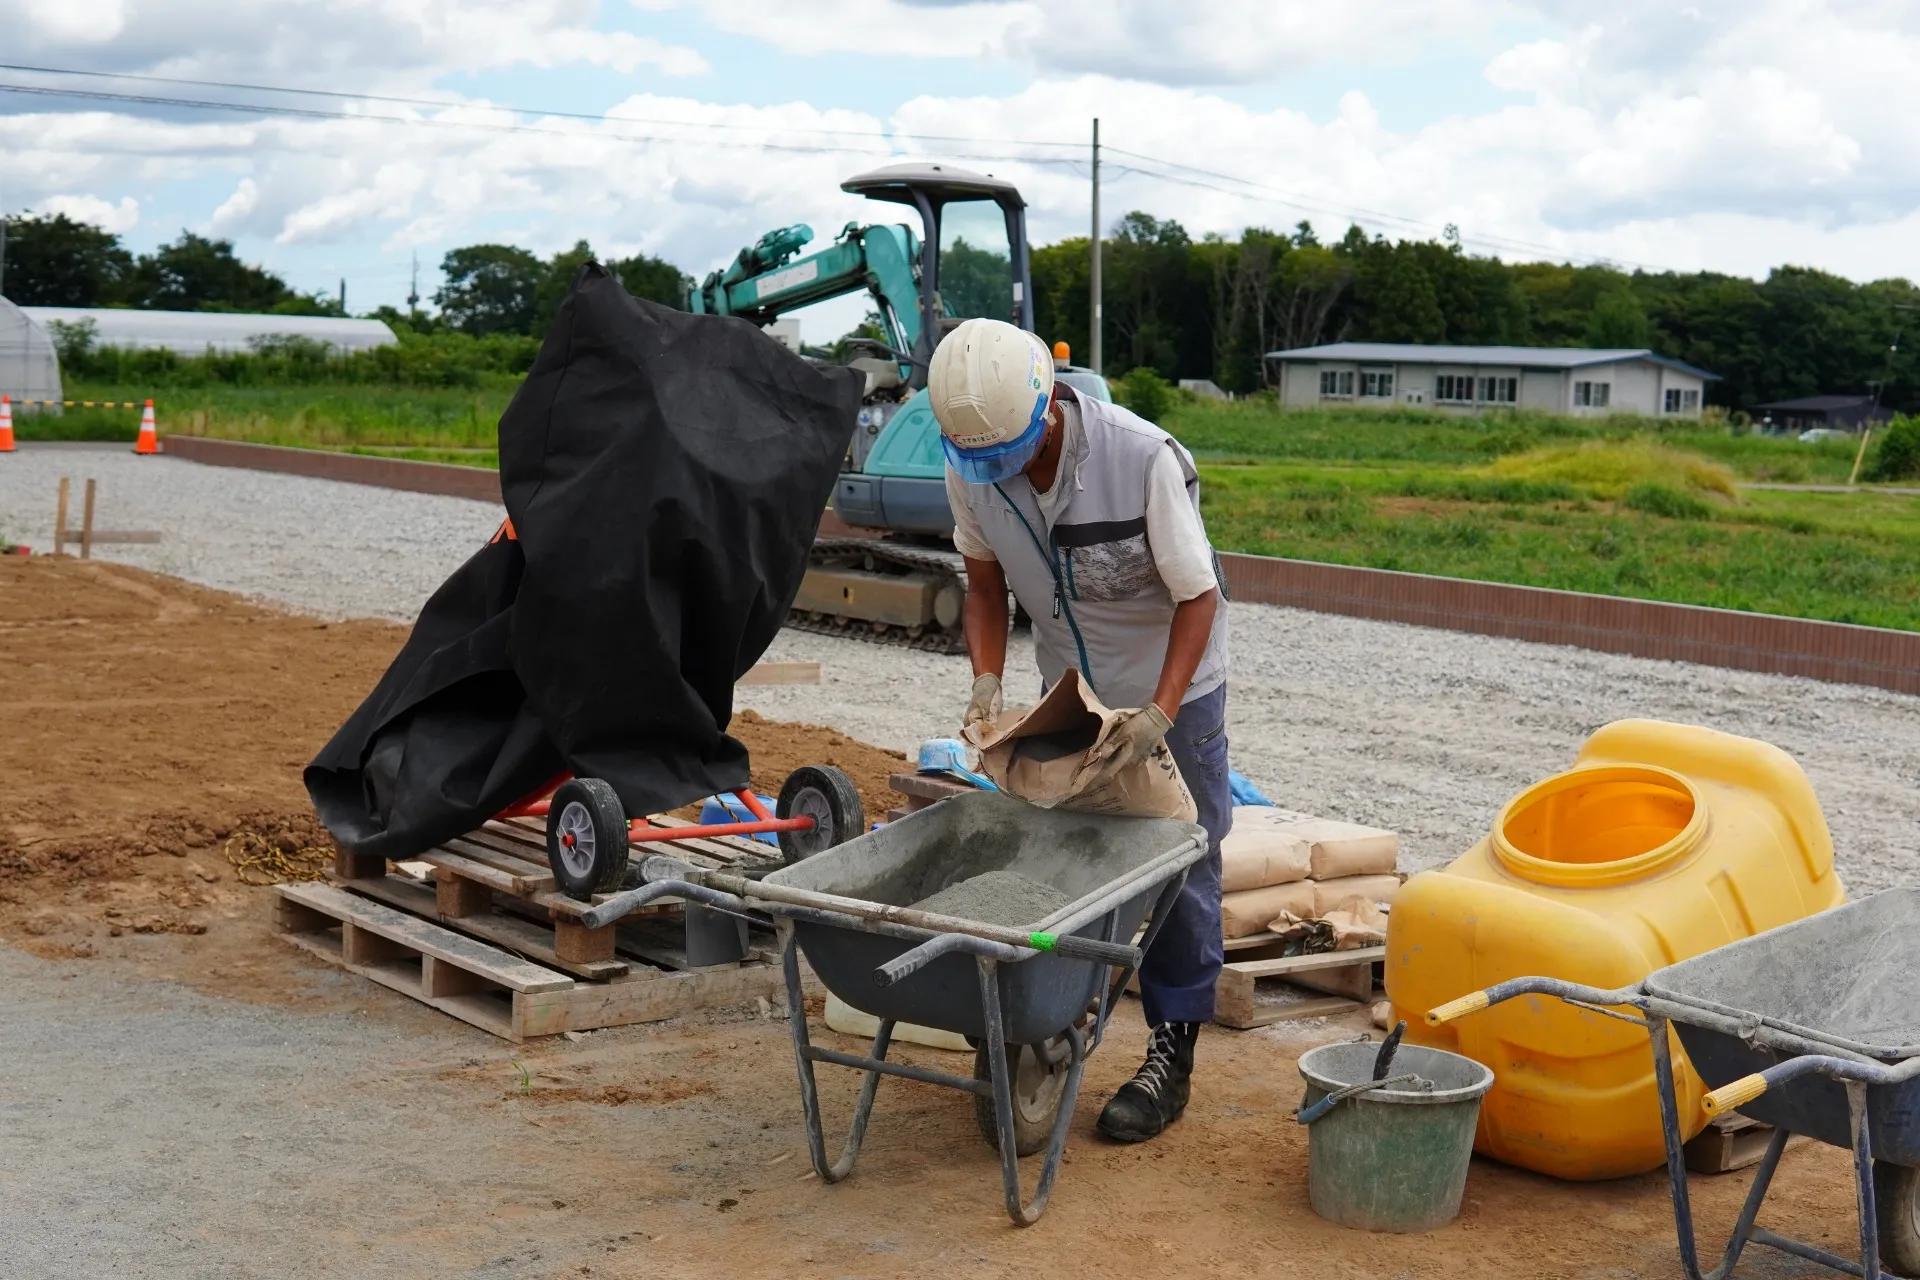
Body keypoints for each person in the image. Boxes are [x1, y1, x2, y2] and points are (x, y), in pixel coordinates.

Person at [929, 317, 1231, 1143]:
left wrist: (1162, 712)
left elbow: (1198, 596)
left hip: (1174, 687)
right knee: (1062, 855)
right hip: (1069, 690)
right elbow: (983, 582)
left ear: (1049, 409)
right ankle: (1050, 1013)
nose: (1004, 474)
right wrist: (987, 678)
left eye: (1014, 453)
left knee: (1179, 868)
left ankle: (1172, 1048)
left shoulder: (1142, 460)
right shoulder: (974, 459)